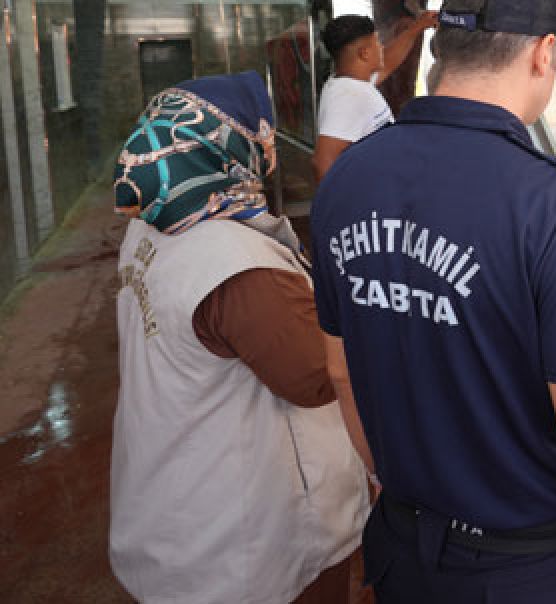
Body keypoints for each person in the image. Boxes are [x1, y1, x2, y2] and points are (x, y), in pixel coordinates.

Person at [309, 0, 556, 603]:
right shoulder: (552, 203)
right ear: (543, 54)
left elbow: (341, 372)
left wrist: (394, 479)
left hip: (401, 550)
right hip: (521, 572)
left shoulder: (346, 182)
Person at [110, 71, 369, 603]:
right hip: (242, 544)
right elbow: (317, 373)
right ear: (227, 148)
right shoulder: (232, 261)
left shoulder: (151, 225)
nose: (269, 152)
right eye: (261, 139)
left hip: (173, 505)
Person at [312, 11, 438, 181]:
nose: (381, 46)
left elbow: (388, 61)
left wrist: (417, 27)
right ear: (364, 53)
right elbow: (322, 161)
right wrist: (340, 205)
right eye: (377, 42)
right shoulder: (346, 97)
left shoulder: (353, 81)